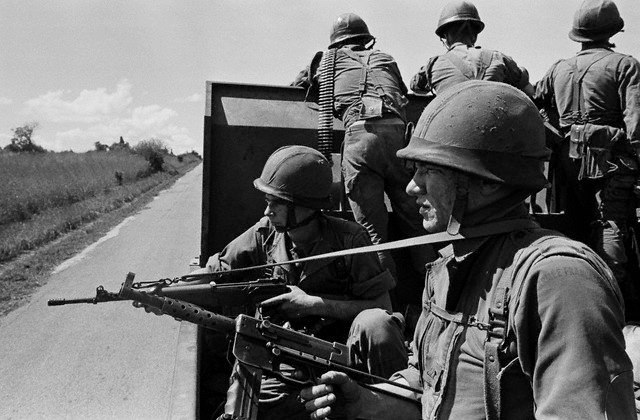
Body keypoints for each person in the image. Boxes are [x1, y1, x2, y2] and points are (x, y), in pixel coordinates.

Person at [298, 81, 635, 419]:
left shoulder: (559, 279)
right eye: (414, 170)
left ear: (488, 181)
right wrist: (365, 402)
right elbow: (429, 386)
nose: (413, 186)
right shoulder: (446, 267)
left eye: (430, 170)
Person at [195, 145, 407, 420]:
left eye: (276, 202)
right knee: (248, 406)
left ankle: (392, 404)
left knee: (376, 323)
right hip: (284, 360)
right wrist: (165, 293)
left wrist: (312, 305)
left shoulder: (350, 240)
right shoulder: (263, 234)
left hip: (346, 358)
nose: (267, 210)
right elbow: (214, 272)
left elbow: (382, 306)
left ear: (304, 206)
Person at [292, 13, 433, 282]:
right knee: (417, 226)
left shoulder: (326, 62)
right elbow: (402, 93)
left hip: (360, 138)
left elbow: (301, 84)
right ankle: (433, 294)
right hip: (398, 139)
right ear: (366, 40)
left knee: (372, 236)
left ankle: (387, 305)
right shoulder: (385, 58)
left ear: (336, 44)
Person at [534, 0, 640, 303]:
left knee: (578, 224)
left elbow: (531, 105)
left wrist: (557, 137)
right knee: (610, 221)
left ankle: (575, 295)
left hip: (568, 159)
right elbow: (636, 124)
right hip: (611, 160)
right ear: (613, 30)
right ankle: (612, 300)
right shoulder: (624, 65)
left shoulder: (558, 68)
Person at [410, 0, 533, 97]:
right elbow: (528, 89)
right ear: (474, 35)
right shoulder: (498, 58)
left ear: (446, 37)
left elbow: (415, 87)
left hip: (452, 126)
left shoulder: (432, 65)